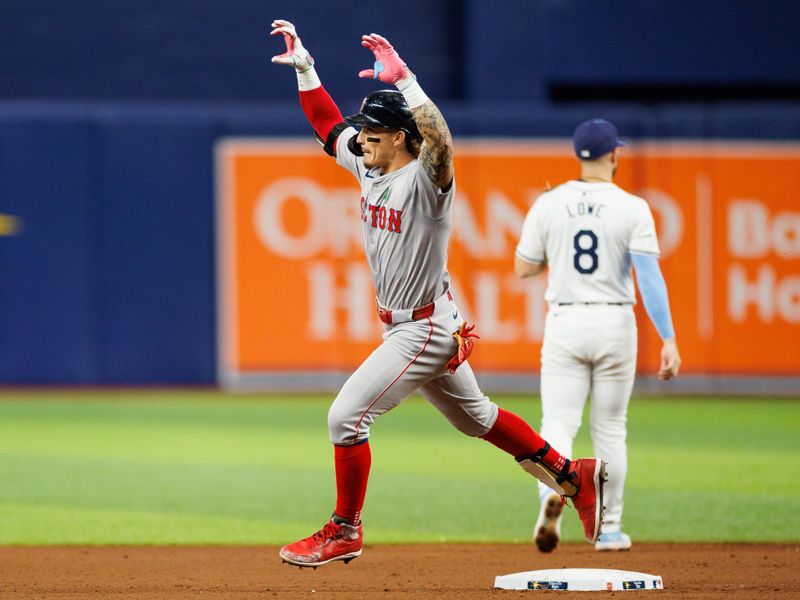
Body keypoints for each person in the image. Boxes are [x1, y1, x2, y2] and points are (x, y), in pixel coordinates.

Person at [269, 19, 606, 568]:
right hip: (425, 322)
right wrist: (307, 69)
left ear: (400, 136)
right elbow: (328, 124)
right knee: (477, 418)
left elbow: (441, 140)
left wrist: (407, 82)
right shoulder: (369, 161)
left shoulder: (427, 181)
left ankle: (345, 529)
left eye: (373, 132)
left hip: (422, 328)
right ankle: (574, 475)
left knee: (345, 419)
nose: (362, 138)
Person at [515, 118, 682, 553]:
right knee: (610, 428)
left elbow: (523, 268)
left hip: (566, 321)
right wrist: (668, 338)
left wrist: (555, 248)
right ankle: (608, 528)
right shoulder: (633, 207)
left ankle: (551, 495)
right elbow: (650, 278)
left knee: (557, 424)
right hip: (614, 323)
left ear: (577, 155)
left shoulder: (549, 202)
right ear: (614, 155)